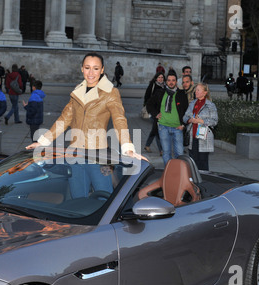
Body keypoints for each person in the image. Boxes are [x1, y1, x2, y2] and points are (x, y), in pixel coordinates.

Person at [26, 53, 144, 198]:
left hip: (99, 156)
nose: (91, 73)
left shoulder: (110, 93)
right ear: (82, 69)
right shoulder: (77, 91)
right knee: (77, 198)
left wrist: (127, 148)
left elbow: (119, 120)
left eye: (95, 68)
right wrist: (42, 142)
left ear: (102, 70)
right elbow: (64, 119)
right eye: (87, 68)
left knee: (104, 197)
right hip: (75, 155)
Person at [146, 70, 188, 166]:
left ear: (176, 81)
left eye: (173, 80)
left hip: (177, 128)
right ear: (166, 81)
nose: (171, 82)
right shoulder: (160, 92)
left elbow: (187, 111)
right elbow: (149, 104)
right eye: (169, 80)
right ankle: (168, 172)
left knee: (179, 153)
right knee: (166, 153)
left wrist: (183, 125)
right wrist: (155, 113)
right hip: (163, 127)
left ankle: (179, 172)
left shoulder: (182, 94)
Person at [183, 83, 218, 171]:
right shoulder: (192, 103)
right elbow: (184, 117)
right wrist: (190, 120)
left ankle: (204, 182)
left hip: (204, 138)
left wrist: (201, 121)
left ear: (204, 92)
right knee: (192, 164)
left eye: (198, 90)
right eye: (196, 90)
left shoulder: (210, 105)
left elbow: (214, 121)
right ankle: (194, 182)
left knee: (203, 163)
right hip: (192, 137)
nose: (196, 92)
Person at [143, 72, 165, 154]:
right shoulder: (152, 86)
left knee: (154, 129)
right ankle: (161, 150)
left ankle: (147, 145)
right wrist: (148, 108)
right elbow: (147, 97)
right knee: (157, 130)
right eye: (159, 77)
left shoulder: (164, 87)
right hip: (154, 112)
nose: (160, 79)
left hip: (161, 112)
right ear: (156, 78)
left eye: (162, 77)